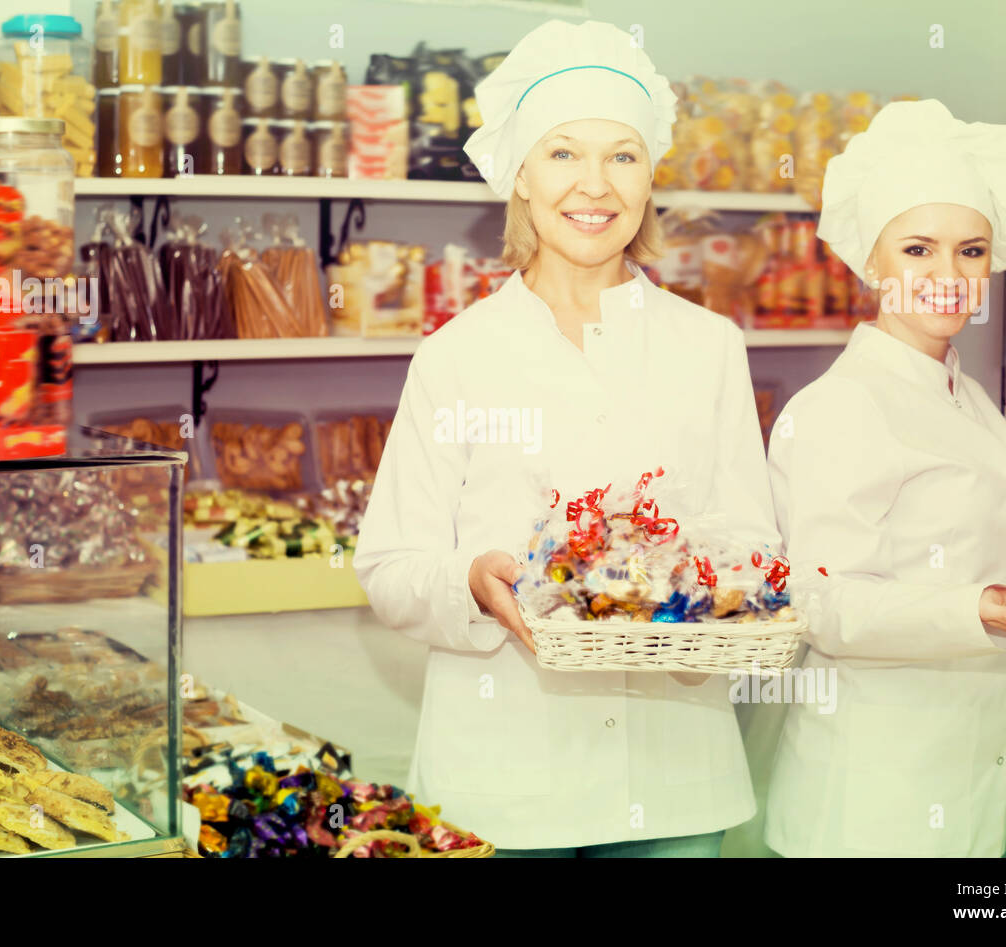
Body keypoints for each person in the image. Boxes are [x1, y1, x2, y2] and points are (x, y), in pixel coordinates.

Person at [354, 20, 781, 857]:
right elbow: (390, 566)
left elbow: (753, 541)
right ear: (518, 174)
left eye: (622, 155)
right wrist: (472, 581)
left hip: (674, 779)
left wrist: (701, 598)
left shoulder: (709, 346)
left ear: (650, 175)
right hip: (508, 780)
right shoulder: (456, 355)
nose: (596, 185)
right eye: (562, 154)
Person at [763, 99, 1006, 857]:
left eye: (970, 251)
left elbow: (973, 494)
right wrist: (981, 606)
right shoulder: (838, 406)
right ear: (871, 259)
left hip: (964, 774)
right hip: (870, 797)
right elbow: (821, 603)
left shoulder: (960, 393)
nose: (948, 275)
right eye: (918, 249)